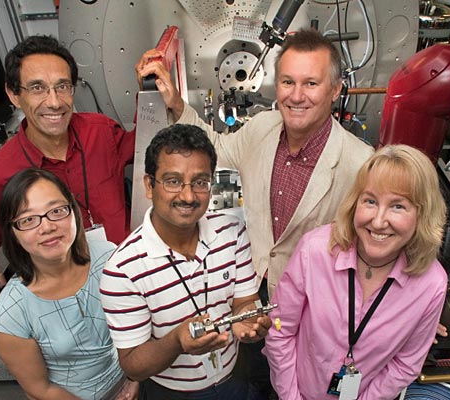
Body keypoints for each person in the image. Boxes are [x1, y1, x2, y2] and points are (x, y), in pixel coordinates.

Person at [137, 28, 375, 298]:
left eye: (311, 84)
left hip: (313, 303)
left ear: (335, 90)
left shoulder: (360, 163)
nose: (296, 96)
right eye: (288, 82)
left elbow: (378, 243)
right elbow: (216, 147)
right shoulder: (262, 127)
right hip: (250, 291)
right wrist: (175, 103)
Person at [99, 124, 271, 399]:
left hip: (234, 376)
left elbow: (244, 302)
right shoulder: (122, 270)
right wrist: (176, 342)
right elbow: (133, 364)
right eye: (173, 181)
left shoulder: (232, 232)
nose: (188, 196)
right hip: (174, 392)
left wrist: (248, 322)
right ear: (149, 185)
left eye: (200, 182)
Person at [265, 144, 448, 400]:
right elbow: (279, 330)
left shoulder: (432, 284)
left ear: (423, 215)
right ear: (355, 203)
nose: (379, 221)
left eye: (398, 206)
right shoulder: (315, 250)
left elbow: (406, 364)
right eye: (370, 201)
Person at [0, 35, 135, 300]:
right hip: (67, 292)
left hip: (128, 272)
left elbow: (144, 146)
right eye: (37, 88)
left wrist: (154, 97)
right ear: (14, 94)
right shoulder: (0, 174)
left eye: (62, 87)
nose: (55, 102)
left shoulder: (100, 132)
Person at [0, 168, 138, 400]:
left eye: (57, 211)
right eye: (28, 219)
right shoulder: (12, 314)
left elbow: (138, 324)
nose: (47, 227)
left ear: (73, 211)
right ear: (12, 232)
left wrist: (134, 379)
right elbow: (40, 388)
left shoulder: (107, 257)